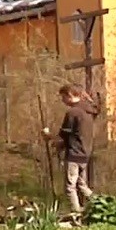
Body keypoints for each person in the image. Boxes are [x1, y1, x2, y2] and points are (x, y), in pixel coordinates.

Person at [42, 83, 98, 216]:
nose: (63, 101)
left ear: (70, 95)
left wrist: (48, 136)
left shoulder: (73, 113)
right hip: (85, 154)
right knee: (81, 184)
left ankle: (76, 212)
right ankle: (100, 203)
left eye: (63, 97)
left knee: (70, 186)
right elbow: (73, 136)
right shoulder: (88, 112)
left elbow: (63, 136)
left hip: (74, 154)